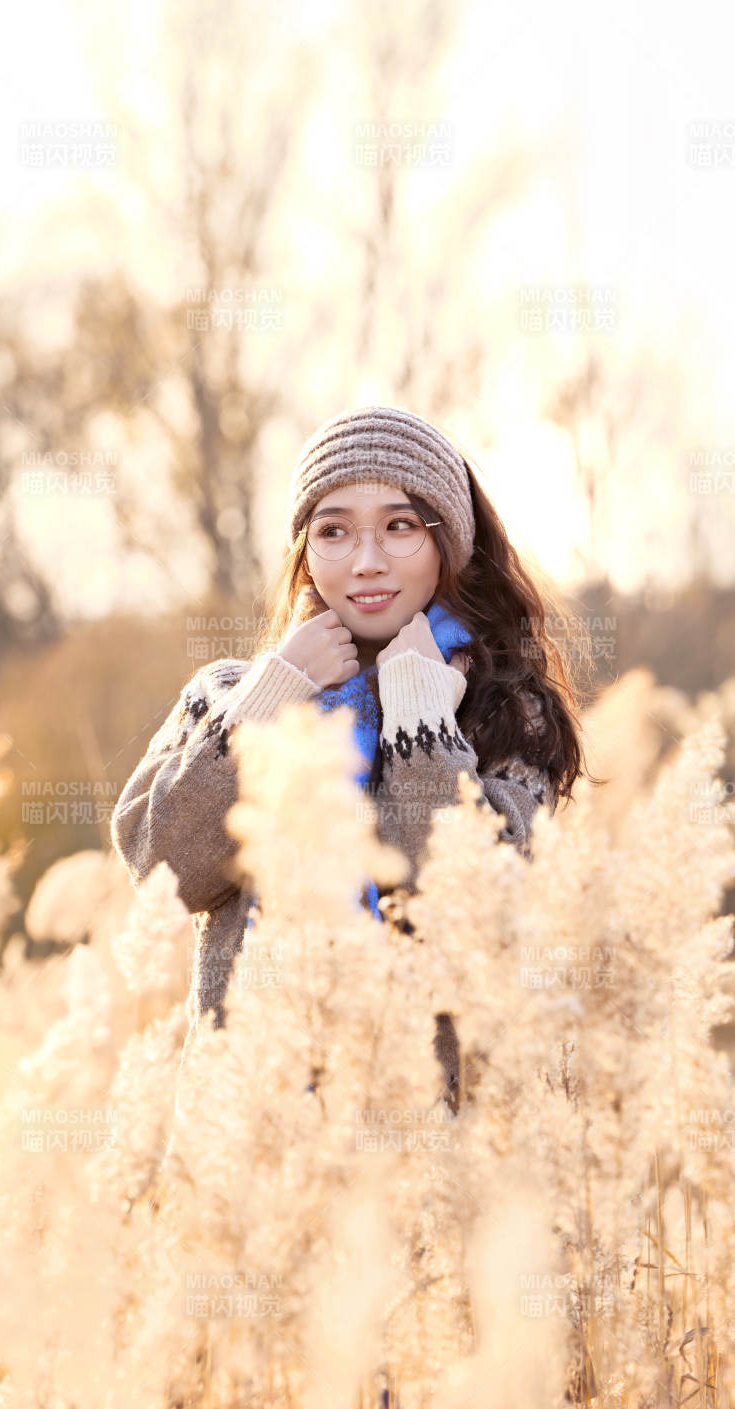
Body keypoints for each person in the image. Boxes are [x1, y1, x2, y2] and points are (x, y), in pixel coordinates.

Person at [111, 404, 593, 1137]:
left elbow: (473, 903)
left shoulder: (504, 714)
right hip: (248, 1135)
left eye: (400, 526)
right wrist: (269, 700)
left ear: (449, 547)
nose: (365, 560)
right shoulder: (226, 695)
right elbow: (165, 871)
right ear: (305, 553)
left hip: (430, 1143)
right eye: (333, 530)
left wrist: (420, 717)